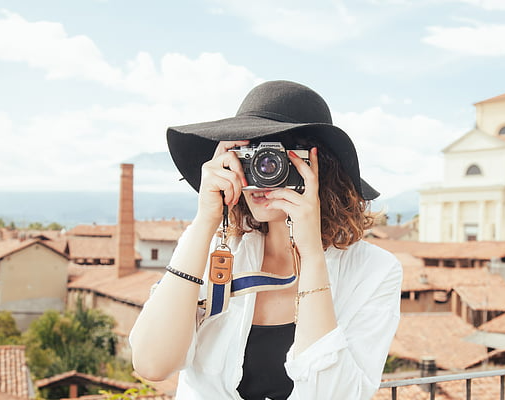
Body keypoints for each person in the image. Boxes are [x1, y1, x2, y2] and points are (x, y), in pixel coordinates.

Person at [129, 80, 403, 400]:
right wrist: (205, 220)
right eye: (249, 158)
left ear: (318, 167)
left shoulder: (374, 271)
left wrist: (311, 254)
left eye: (277, 160)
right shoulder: (215, 249)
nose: (262, 173)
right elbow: (151, 364)